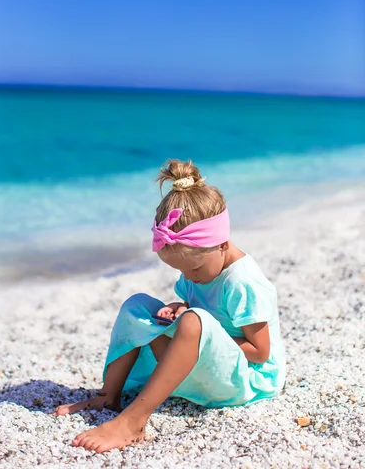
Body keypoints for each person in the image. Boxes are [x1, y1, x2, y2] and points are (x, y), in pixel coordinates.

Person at [54, 160, 286, 453]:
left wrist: (196, 335)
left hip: (245, 381)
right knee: (137, 305)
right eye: (183, 272)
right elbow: (196, 305)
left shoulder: (243, 283)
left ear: (222, 244)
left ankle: (133, 422)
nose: (190, 278)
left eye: (195, 271)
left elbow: (260, 352)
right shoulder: (200, 269)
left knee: (193, 322)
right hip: (203, 363)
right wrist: (178, 307)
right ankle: (107, 396)